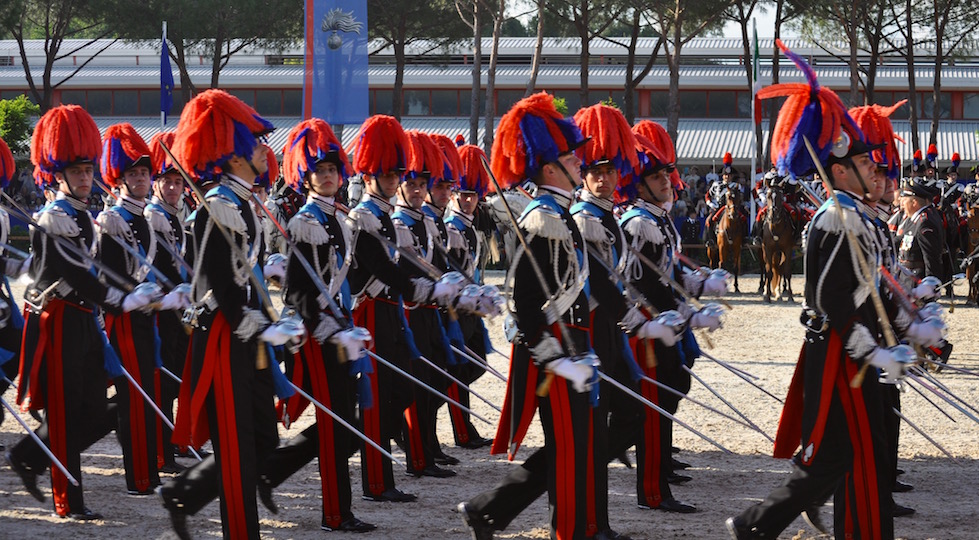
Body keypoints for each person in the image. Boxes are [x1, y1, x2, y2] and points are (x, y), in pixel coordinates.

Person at [726, 41, 941, 540]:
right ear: (838, 168)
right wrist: (869, 347)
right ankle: (757, 525)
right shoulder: (834, 218)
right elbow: (828, 298)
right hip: (842, 351)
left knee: (857, 453)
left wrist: (912, 326)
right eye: (867, 164)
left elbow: (877, 288)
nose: (876, 170)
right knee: (840, 454)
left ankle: (768, 526)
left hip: (863, 349)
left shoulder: (862, 217)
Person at [459, 92, 615, 540]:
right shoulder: (542, 219)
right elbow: (525, 304)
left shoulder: (560, 215)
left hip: (575, 345)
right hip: (556, 350)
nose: (579, 165)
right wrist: (556, 357)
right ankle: (568, 531)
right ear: (550, 168)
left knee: (576, 445)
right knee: (569, 449)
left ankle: (488, 511)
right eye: (571, 158)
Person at [160, 89, 306, 540]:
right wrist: (261, 325)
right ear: (236, 156)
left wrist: (277, 321)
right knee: (238, 444)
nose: (265, 150)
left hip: (250, 336)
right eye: (256, 144)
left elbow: (250, 277)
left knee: (263, 438)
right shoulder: (218, 205)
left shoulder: (243, 201)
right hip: (225, 336)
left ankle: (187, 492)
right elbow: (221, 287)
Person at [8, 105, 163, 520]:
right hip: (59, 320)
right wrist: (121, 300)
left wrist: (139, 291)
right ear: (59, 175)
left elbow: (103, 270)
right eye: (76, 171)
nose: (84, 178)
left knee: (97, 409)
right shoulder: (55, 216)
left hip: (85, 320)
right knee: (65, 409)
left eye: (88, 171)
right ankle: (69, 501)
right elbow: (77, 274)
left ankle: (32, 454)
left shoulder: (84, 215)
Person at [260, 118, 377, 532]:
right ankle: (335, 514)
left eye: (332, 171)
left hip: (340, 330)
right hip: (318, 335)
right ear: (306, 178)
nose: (327, 177)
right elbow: (298, 294)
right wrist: (328, 328)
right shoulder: (305, 222)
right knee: (335, 427)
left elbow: (370, 267)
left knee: (346, 421)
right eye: (319, 172)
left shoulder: (340, 217)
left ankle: (271, 472)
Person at [344, 115, 466, 503]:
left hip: (393, 310)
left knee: (405, 389)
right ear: (369, 177)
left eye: (401, 174)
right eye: (391, 175)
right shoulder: (364, 216)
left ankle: (385, 458)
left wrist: (444, 286)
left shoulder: (381, 215)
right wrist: (426, 289)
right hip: (372, 313)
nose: (398, 182)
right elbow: (383, 270)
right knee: (380, 397)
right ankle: (377, 482)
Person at [619, 121, 725, 514]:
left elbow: (670, 275)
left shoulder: (657, 219)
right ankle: (652, 490)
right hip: (649, 329)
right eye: (657, 176)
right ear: (640, 183)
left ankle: (660, 467)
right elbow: (632, 283)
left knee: (674, 389)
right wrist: (672, 316)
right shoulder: (636, 223)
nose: (667, 180)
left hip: (669, 323)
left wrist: (699, 288)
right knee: (652, 408)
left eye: (667, 173)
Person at [97, 123, 189, 495]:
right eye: (132, 174)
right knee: (132, 399)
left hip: (149, 317)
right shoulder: (113, 219)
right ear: (120, 179)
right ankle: (139, 477)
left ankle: (149, 469)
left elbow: (162, 268)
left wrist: (171, 294)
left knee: (150, 394)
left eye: (143, 173)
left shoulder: (150, 220)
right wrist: (146, 298)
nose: (139, 179)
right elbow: (112, 276)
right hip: (125, 318)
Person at [145, 130, 194, 473]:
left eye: (178, 181)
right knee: (164, 381)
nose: (174, 188)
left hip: (182, 305)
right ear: (156, 183)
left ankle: (175, 440)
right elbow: (158, 264)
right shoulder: (153, 215)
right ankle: (162, 452)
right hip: (161, 307)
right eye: (167, 181)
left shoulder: (179, 213)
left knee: (177, 376)